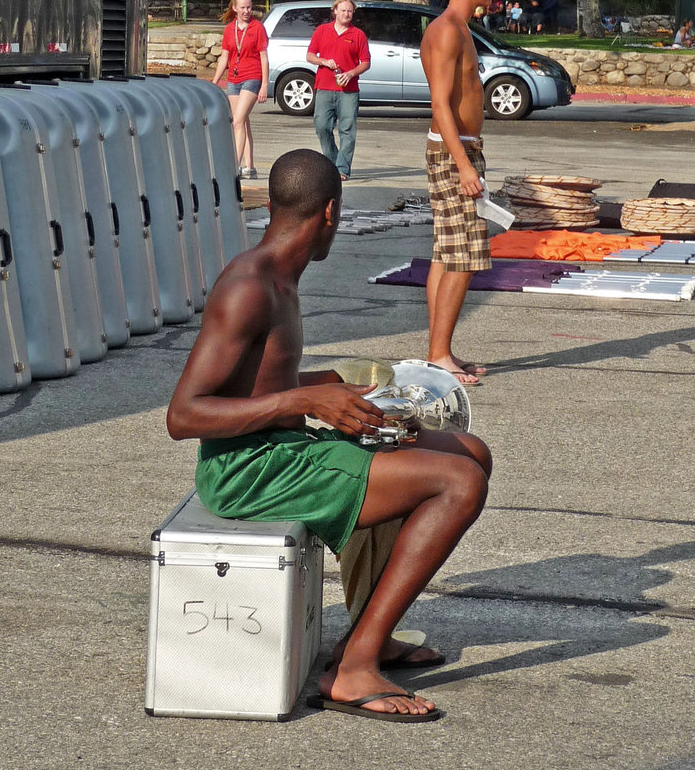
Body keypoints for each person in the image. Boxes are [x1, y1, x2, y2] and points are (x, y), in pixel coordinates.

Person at [166, 148, 492, 721]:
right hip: (250, 472)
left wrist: (353, 391)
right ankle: (353, 667)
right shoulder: (249, 286)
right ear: (331, 215)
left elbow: (261, 379)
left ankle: (370, 627)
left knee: (469, 451)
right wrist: (306, 399)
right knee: (457, 484)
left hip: (284, 449)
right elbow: (184, 415)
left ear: (272, 206)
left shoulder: (279, 277)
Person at [419, 0, 496, 385]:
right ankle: (437, 356)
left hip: (457, 149)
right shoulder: (447, 30)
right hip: (454, 152)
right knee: (464, 255)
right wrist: (465, 165)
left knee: (445, 253)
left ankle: (440, 350)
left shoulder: (458, 28)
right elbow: (441, 106)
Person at [307, 0, 371, 181]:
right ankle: (332, 161)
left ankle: (342, 168)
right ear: (334, 11)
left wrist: (351, 73)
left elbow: (365, 62)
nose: (346, 14)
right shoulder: (322, 30)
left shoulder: (358, 35)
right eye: (343, 10)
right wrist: (323, 61)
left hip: (348, 91)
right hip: (324, 87)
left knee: (347, 130)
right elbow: (310, 55)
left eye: (350, 11)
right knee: (321, 126)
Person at [212, 0, 269, 179]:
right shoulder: (229, 29)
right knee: (241, 122)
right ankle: (249, 166)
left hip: (252, 77)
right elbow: (224, 58)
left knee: (237, 121)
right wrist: (215, 81)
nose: (247, 11)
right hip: (234, 79)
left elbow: (264, 58)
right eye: (243, 8)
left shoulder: (257, 28)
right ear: (234, 8)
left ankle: (234, 167)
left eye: (249, 7)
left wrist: (264, 86)